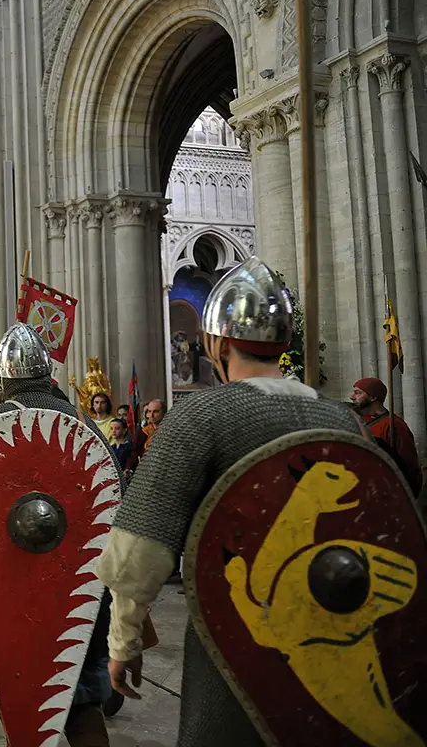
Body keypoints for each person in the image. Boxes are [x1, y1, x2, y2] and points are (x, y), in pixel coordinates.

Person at [95, 256, 365, 747]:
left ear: (217, 344)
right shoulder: (344, 421)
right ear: (284, 341)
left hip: (236, 638)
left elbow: (141, 550)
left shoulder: (200, 417)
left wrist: (123, 643)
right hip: (336, 641)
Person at [0, 323, 116, 745]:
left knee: (19, 699)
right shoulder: (84, 425)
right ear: (47, 374)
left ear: (3, 380)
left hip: (11, 588)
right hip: (79, 588)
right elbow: (114, 505)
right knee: (80, 699)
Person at [350, 377, 422, 496]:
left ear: (373, 397)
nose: (351, 397)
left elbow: (409, 466)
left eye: (358, 393)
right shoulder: (352, 421)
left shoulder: (393, 425)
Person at [129, 398, 164, 470]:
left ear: (163, 412)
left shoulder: (170, 430)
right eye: (149, 411)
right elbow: (135, 452)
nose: (151, 415)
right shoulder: (143, 432)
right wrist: (129, 467)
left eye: (156, 411)